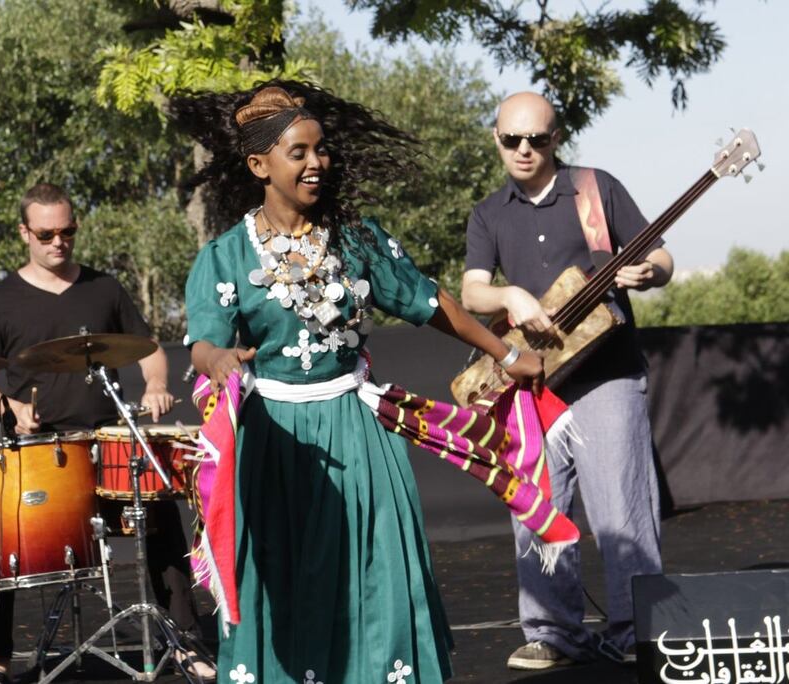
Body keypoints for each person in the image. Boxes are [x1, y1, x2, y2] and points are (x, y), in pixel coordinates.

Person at [170, 82, 545, 683]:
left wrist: (506, 352)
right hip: (276, 443)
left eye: (321, 149)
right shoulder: (224, 256)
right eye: (298, 153)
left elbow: (432, 301)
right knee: (287, 580)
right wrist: (216, 360)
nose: (316, 163)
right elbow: (204, 341)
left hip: (358, 431)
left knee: (379, 573)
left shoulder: (356, 239)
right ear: (260, 166)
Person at [0, 182, 214, 682]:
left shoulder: (104, 288)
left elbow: (148, 350)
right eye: (46, 234)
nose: (59, 241)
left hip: (108, 439)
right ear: (24, 233)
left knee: (160, 513)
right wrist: (11, 407)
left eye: (68, 231)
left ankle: (186, 640)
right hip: (40, 449)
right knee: (0, 530)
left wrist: (156, 385)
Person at [461, 91, 673, 669]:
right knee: (537, 508)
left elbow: (662, 257)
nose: (524, 150)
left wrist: (648, 273)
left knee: (621, 509)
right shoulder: (488, 213)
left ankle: (638, 631)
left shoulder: (596, 189)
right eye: (512, 139)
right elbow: (472, 291)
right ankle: (553, 634)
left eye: (537, 139)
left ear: (557, 138)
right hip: (534, 384)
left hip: (608, 373)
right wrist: (509, 295)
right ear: (496, 138)